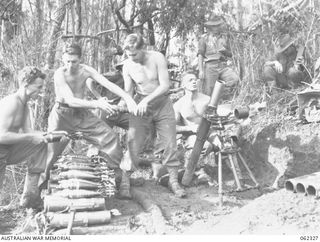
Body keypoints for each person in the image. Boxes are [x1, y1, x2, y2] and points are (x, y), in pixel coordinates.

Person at [40, 43, 137, 199]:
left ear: (80, 60)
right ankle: (36, 194)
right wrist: (97, 103)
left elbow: (108, 84)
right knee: (50, 154)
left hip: (81, 114)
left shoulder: (86, 70)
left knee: (109, 138)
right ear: (63, 60)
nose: (70, 65)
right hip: (62, 115)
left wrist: (127, 97)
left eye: (74, 61)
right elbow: (70, 100)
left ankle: (116, 178)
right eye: (67, 61)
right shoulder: (60, 73)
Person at [122, 33, 186, 198]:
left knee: (170, 142)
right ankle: (124, 182)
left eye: (135, 54)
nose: (132, 58)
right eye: (129, 55)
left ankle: (173, 181)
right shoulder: (128, 65)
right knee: (133, 141)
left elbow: (165, 86)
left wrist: (147, 100)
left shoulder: (157, 58)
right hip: (141, 106)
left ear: (142, 48)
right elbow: (128, 90)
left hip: (162, 104)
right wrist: (127, 101)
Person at [0, 66, 47, 208]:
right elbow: (1, 136)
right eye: (38, 87)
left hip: (8, 150)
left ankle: (30, 197)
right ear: (26, 84)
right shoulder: (12, 102)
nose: (40, 91)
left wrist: (51, 134)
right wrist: (29, 138)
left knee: (42, 143)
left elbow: (28, 131)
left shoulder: (24, 104)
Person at [198, 16, 238, 98]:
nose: (215, 28)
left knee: (235, 79)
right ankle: (210, 108)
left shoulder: (225, 37)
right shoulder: (204, 38)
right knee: (209, 91)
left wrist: (225, 51)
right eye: (213, 26)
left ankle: (223, 97)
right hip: (210, 66)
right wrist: (201, 70)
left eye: (217, 25)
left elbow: (231, 54)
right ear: (210, 27)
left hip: (223, 65)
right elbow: (200, 55)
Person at [86, 62, 129, 130]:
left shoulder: (133, 80)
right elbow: (89, 80)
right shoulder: (114, 75)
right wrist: (99, 97)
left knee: (140, 127)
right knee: (101, 137)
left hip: (121, 112)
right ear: (121, 68)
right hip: (107, 110)